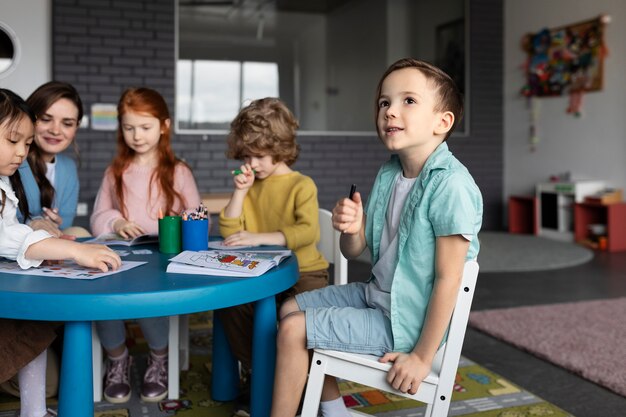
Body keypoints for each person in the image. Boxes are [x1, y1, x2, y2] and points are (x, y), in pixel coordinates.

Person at [270, 58, 483, 417]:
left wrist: (420, 357)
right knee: (288, 309)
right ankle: (335, 411)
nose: (390, 111)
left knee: (293, 330)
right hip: (375, 295)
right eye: (384, 102)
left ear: (442, 122)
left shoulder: (451, 185)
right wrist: (352, 229)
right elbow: (354, 250)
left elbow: (451, 278)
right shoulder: (389, 173)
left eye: (408, 101)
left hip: (405, 320)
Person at [0, 88, 121, 417]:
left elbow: (50, 222)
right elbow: (12, 233)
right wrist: (59, 240)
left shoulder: (40, 169)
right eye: (15, 141)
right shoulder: (14, 171)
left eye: (67, 122)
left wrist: (52, 232)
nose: (21, 152)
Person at [218, 97, 329, 416]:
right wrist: (239, 193)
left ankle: (293, 385)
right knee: (231, 305)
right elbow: (229, 232)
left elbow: (308, 232)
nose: (252, 164)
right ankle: (260, 374)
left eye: (260, 156)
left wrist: (259, 237)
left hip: (305, 273)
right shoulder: (250, 183)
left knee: (290, 321)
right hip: (261, 275)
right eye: (247, 156)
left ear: (281, 148)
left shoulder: (301, 185)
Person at [90, 87, 201, 403]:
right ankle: (117, 358)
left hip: (163, 262)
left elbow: (195, 214)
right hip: (123, 260)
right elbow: (98, 217)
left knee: (153, 300)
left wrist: (183, 220)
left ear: (164, 125)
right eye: (128, 127)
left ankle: (159, 358)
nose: (136, 136)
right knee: (103, 298)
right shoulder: (116, 172)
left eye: (145, 126)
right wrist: (117, 222)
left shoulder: (178, 172)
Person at [17, 81, 89, 238]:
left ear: (76, 128)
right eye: (45, 119)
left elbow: (65, 223)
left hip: (50, 242)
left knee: (79, 233)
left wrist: (55, 223)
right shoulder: (12, 161)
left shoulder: (68, 167)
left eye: (67, 123)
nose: (55, 130)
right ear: (28, 119)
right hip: (18, 246)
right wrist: (34, 223)